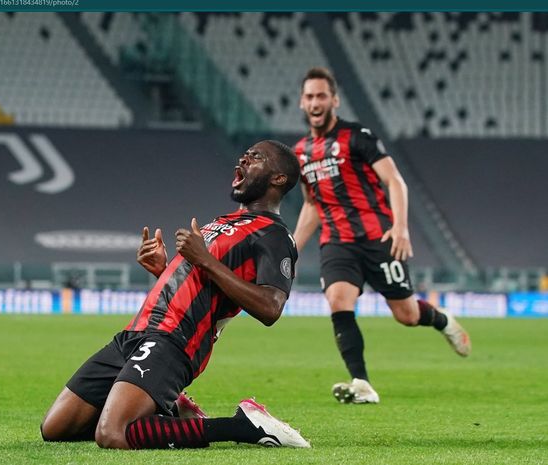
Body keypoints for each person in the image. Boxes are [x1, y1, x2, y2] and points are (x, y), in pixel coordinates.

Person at [40, 140, 310, 449]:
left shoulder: (274, 235)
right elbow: (201, 284)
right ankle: (172, 413)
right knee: (56, 428)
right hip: (136, 332)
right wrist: (163, 269)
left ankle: (242, 426)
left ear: (278, 179)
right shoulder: (223, 223)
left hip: (175, 341)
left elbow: (270, 307)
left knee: (113, 434)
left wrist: (205, 260)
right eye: (245, 155)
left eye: (256, 157)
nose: (245, 159)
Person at [292, 67, 471, 404]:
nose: (315, 102)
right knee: (338, 301)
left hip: (377, 239)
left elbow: (395, 181)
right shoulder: (300, 152)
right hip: (337, 242)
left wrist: (400, 226)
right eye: (309, 96)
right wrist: (293, 247)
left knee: (407, 315)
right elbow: (312, 204)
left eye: (321, 96)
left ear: (334, 100)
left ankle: (442, 320)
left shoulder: (358, 136)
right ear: (302, 102)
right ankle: (362, 383)